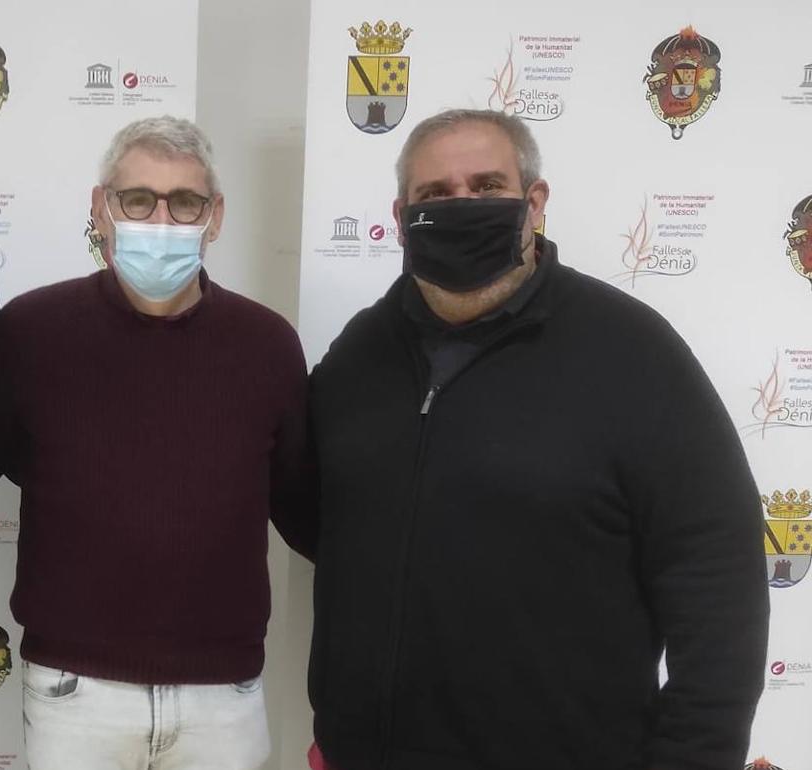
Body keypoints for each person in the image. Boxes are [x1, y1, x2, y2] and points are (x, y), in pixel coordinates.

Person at [306, 108, 768, 770]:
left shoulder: (632, 353)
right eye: (435, 194)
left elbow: (716, 573)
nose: (462, 206)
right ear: (402, 216)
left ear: (535, 202)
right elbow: (320, 516)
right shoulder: (361, 354)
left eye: (487, 186)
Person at [0, 115, 316, 770]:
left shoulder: (268, 346)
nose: (161, 220)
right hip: (75, 691)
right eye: (137, 200)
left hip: (224, 696)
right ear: (101, 208)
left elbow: (303, 507)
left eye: (184, 202)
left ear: (215, 217)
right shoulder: (32, 333)